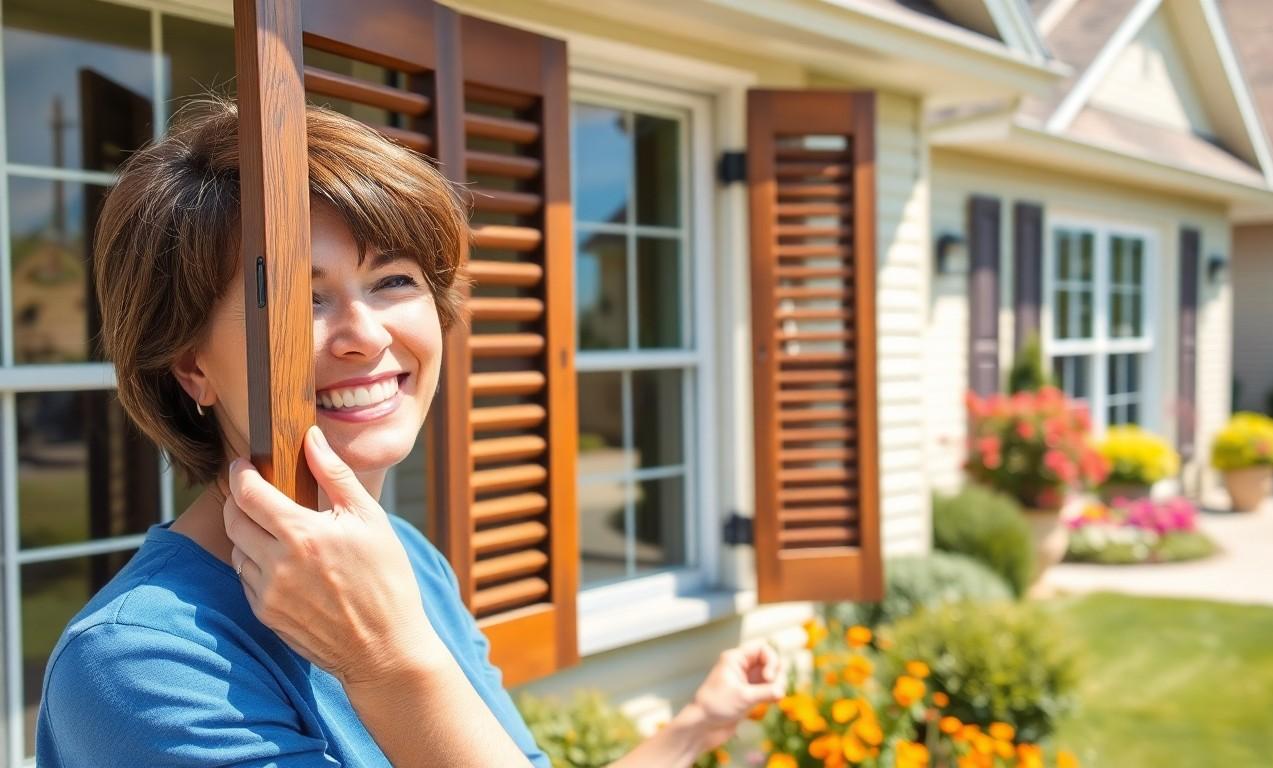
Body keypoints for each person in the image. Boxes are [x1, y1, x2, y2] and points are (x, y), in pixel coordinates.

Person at [35, 99, 783, 767]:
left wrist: (689, 730)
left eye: (394, 280)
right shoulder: (143, 664)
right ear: (191, 367)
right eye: (302, 300)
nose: (365, 335)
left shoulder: (407, 563)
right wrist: (389, 662)